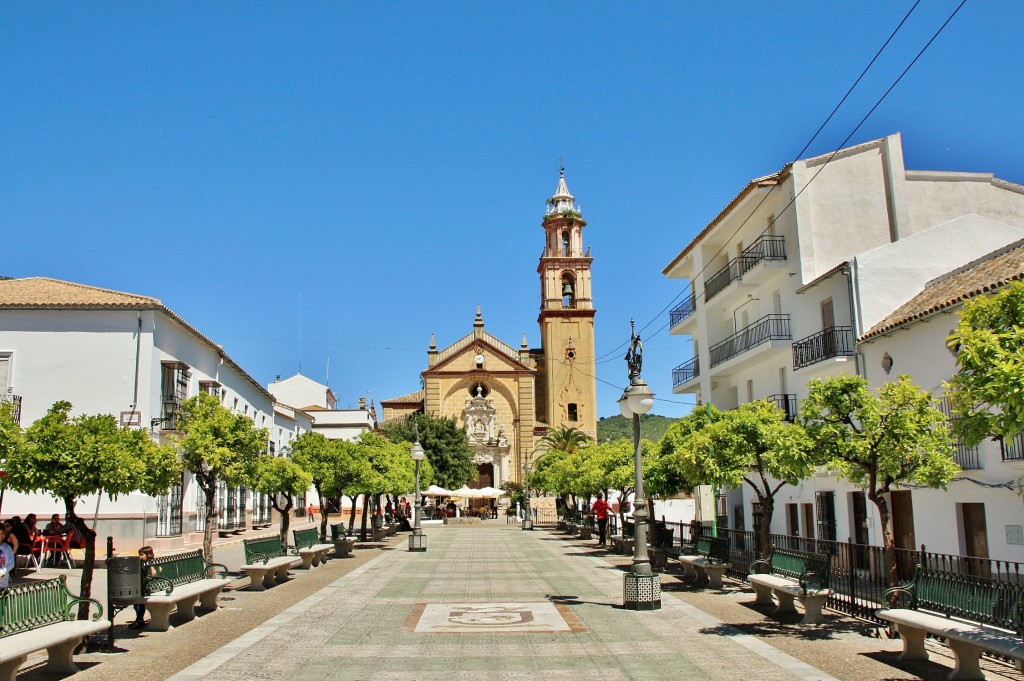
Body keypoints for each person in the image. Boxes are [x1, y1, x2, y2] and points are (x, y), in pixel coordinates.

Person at [130, 546, 157, 628]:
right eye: (139, 555)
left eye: (142, 555)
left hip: (146, 589)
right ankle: (138, 619)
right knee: (136, 603)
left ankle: (139, 619)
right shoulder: (142, 564)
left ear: (148, 555)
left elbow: (153, 574)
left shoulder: (148, 564)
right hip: (141, 588)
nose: (140, 557)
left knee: (139, 603)